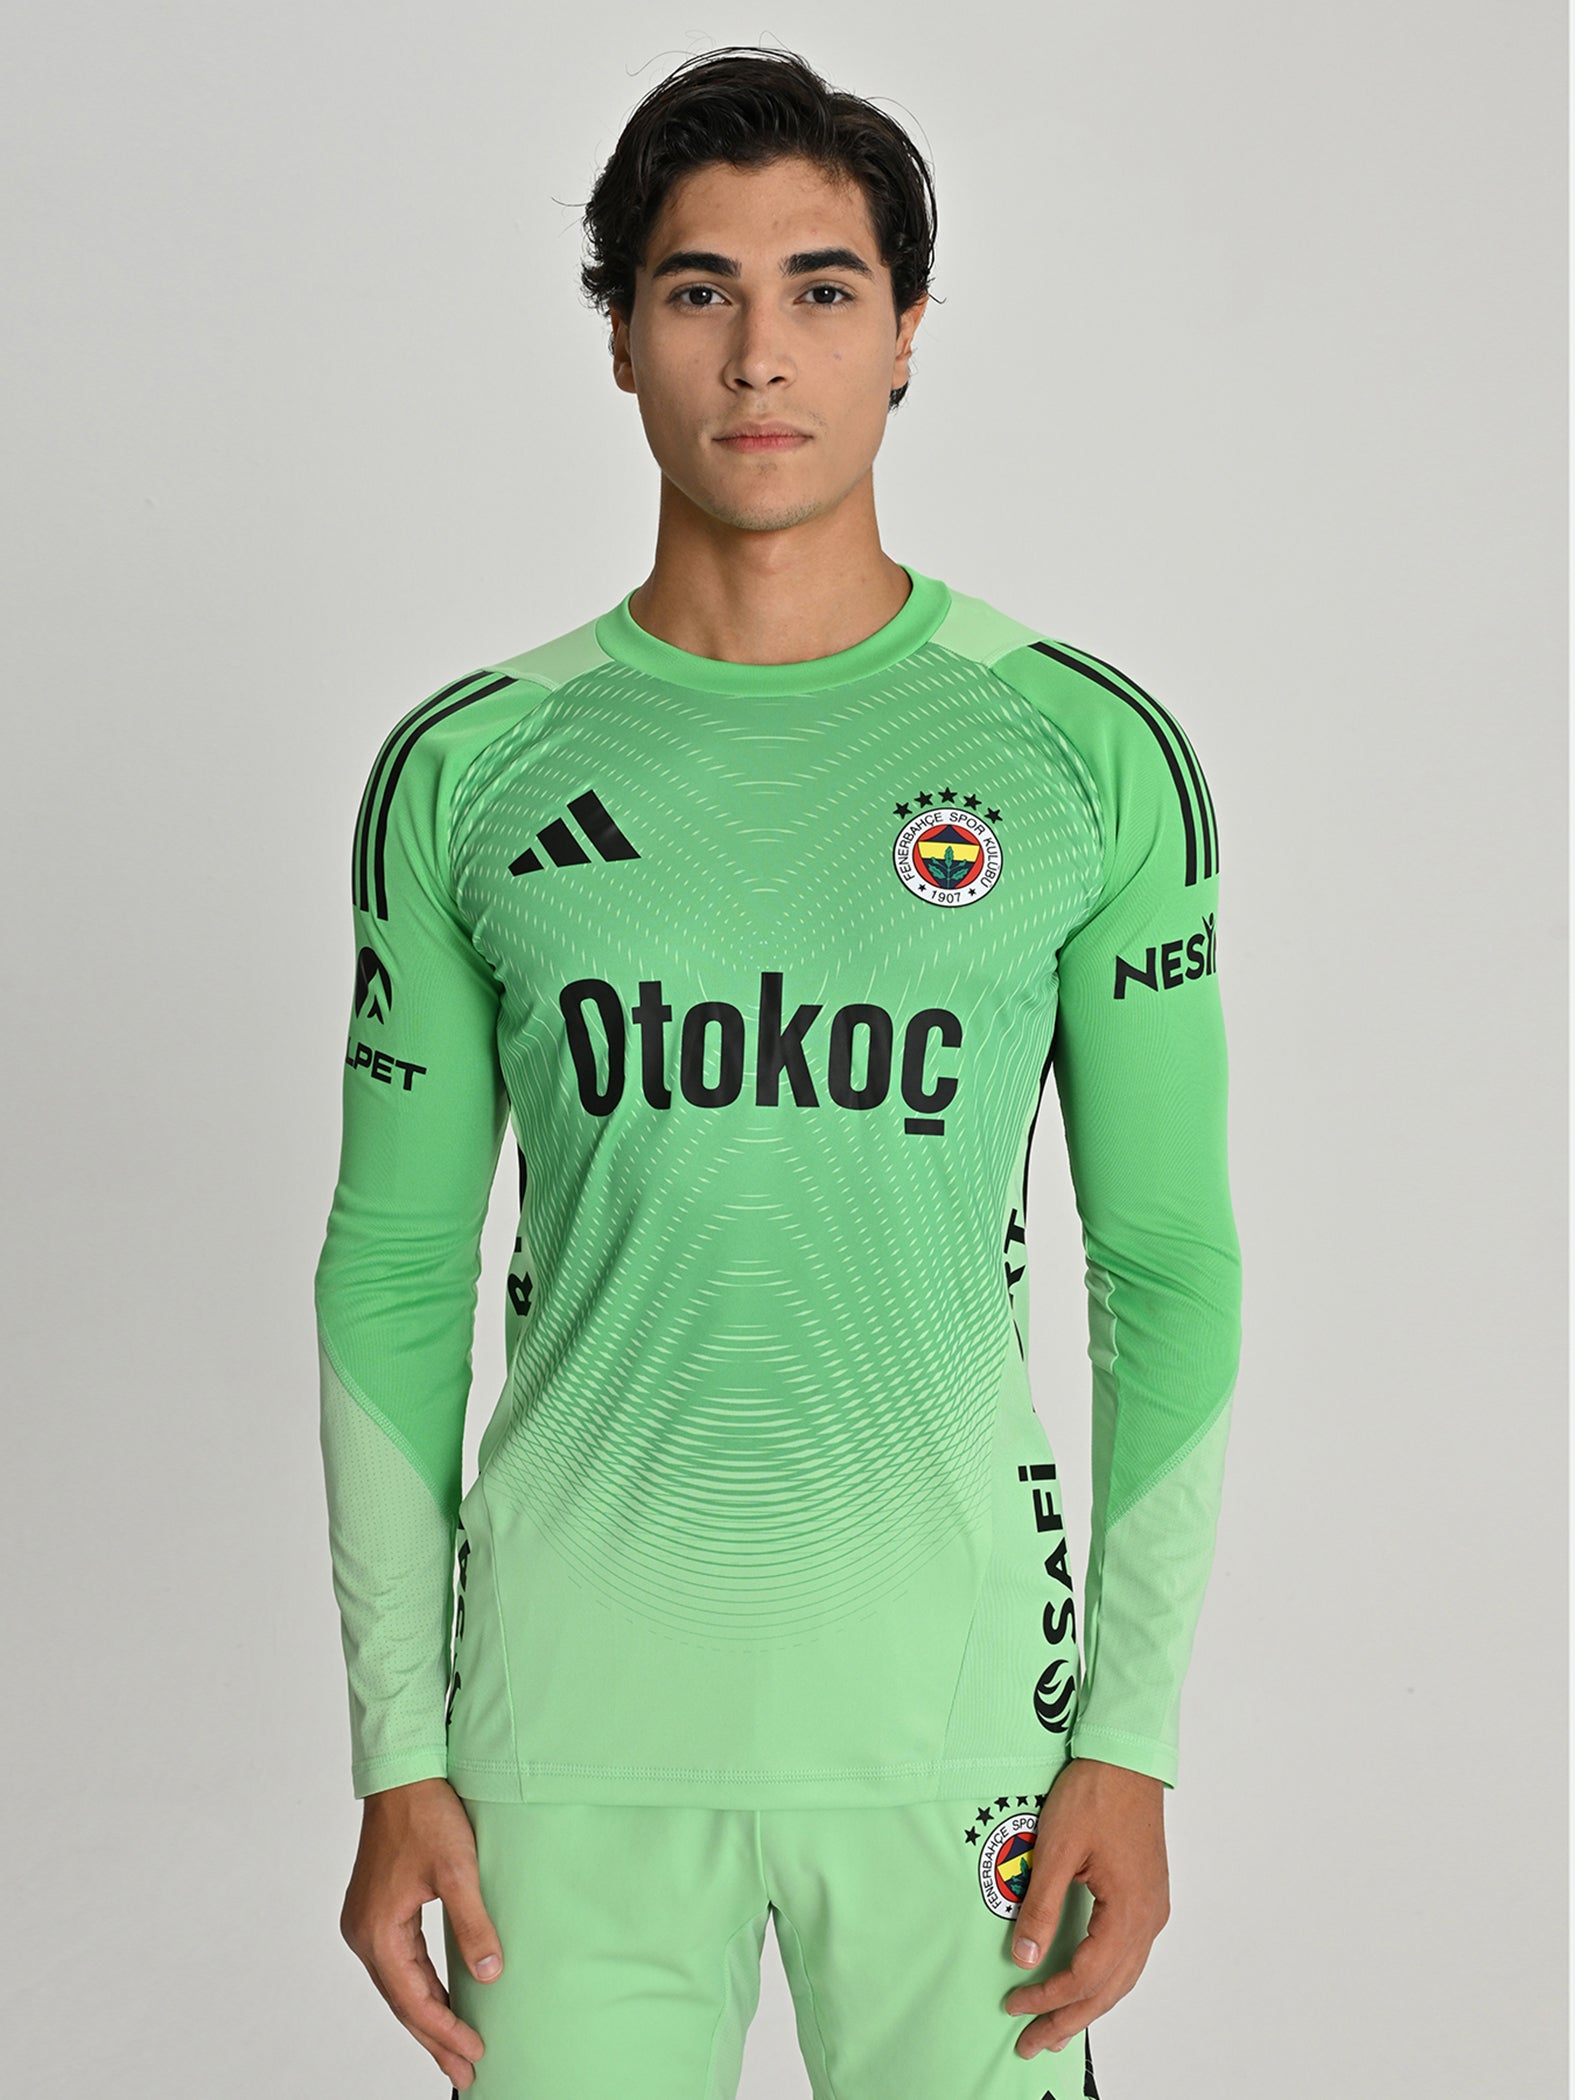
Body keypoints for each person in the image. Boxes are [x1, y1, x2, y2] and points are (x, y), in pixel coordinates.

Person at [314, 44, 1242, 2100]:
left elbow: (1166, 1264)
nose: (759, 353)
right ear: (619, 338)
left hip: (956, 1742)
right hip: (561, 1745)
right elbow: (390, 1274)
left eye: (822, 289)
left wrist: (1129, 1733)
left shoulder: (1080, 754)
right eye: (696, 289)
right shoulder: (471, 769)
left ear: (907, 334)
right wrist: (397, 1748)